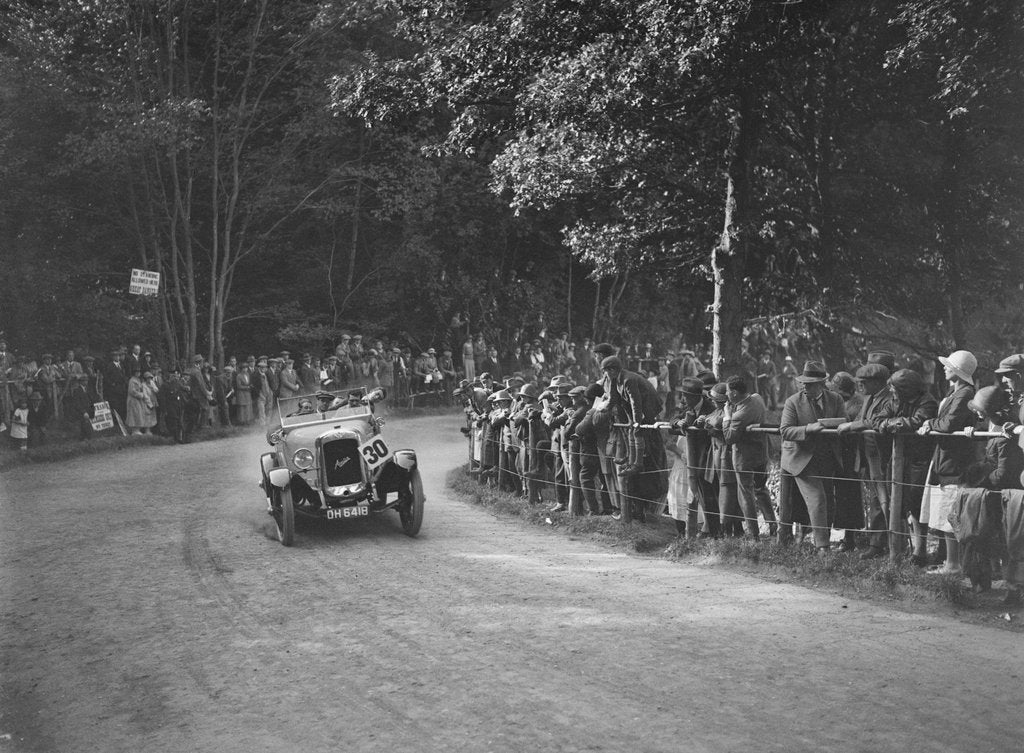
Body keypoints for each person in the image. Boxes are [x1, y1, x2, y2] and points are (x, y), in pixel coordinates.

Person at [918, 349, 977, 575]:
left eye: (948, 365)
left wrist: (930, 423)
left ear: (958, 371)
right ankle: (953, 562)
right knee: (946, 514)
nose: (944, 368)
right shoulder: (955, 393)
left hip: (955, 461)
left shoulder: (964, 394)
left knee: (952, 513)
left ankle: (955, 564)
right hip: (945, 459)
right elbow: (944, 421)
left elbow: (949, 424)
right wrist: (933, 422)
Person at [779, 361, 847, 553]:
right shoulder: (793, 402)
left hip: (826, 458)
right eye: (803, 383)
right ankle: (823, 547)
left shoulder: (835, 400)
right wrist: (809, 428)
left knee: (828, 501)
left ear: (821, 384)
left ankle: (821, 540)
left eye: (809, 384)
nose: (805, 387)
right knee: (817, 499)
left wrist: (836, 426)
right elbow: (785, 430)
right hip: (801, 458)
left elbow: (844, 422)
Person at [837, 363, 893, 559]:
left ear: (877, 383)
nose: (860, 387)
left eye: (864, 383)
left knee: (886, 500)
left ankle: (891, 546)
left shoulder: (889, 398)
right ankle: (877, 544)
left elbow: (876, 421)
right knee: (876, 500)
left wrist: (852, 425)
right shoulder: (869, 398)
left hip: (883, 456)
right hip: (868, 456)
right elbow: (864, 419)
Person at [724, 375, 777, 538]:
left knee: (746, 495)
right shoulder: (757, 398)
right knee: (762, 490)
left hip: (744, 459)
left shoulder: (739, 414)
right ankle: (773, 526)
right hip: (761, 454)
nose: (726, 395)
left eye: (727, 391)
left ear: (734, 393)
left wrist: (727, 415)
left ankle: (754, 535)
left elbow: (728, 437)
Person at [672, 376, 718, 537]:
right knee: (695, 493)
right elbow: (674, 419)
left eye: (686, 395)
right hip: (693, 458)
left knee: (709, 495)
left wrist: (706, 421)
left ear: (696, 396)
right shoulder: (689, 406)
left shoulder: (710, 407)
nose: (683, 399)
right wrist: (679, 423)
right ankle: (700, 532)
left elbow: (717, 422)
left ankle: (714, 532)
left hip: (708, 457)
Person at [127, 368, 158, 434]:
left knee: (138, 414)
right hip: (133, 400)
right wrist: (142, 395)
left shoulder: (138, 380)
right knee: (134, 414)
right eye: (137, 372)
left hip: (138, 400)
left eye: (139, 372)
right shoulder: (132, 380)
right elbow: (132, 391)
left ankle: (138, 430)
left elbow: (156, 390)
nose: (138, 373)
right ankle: (135, 430)